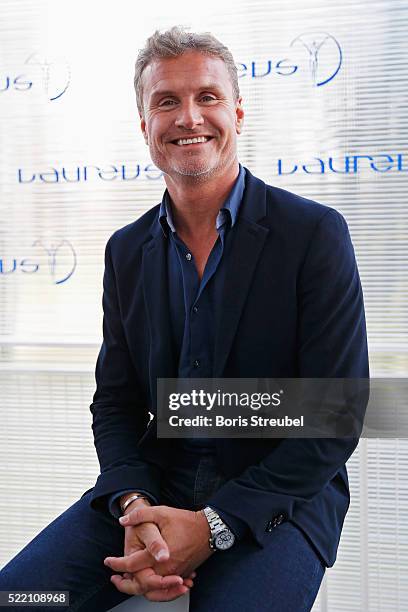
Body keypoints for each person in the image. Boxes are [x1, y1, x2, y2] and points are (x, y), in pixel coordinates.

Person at [0, 26, 369, 611]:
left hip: (278, 501)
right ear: (145, 126)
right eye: (166, 102)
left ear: (238, 113)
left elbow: (334, 415)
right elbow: (116, 404)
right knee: (20, 598)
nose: (188, 116)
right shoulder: (125, 250)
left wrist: (213, 526)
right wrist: (133, 505)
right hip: (155, 489)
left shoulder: (314, 235)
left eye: (208, 97)